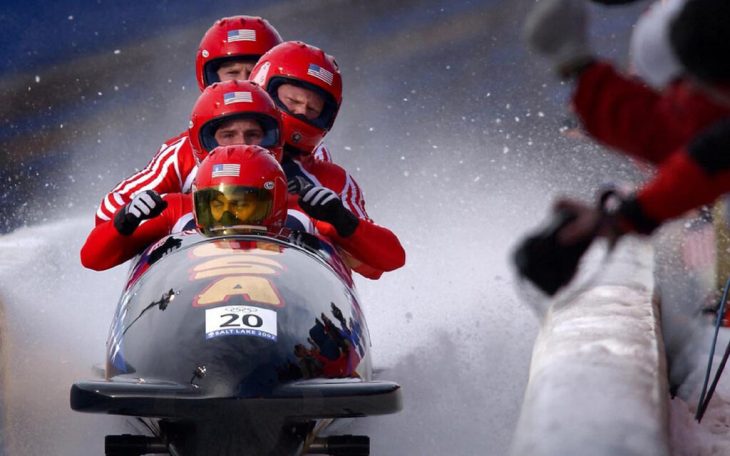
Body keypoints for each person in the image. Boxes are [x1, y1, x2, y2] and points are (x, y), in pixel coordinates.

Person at [250, 41, 406, 278]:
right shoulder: (188, 151)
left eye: (312, 108)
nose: (301, 111)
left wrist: (339, 220)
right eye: (292, 101)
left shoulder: (328, 175)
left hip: (296, 290)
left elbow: (380, 264)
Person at [81, 145, 288, 271]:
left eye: (241, 203)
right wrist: (123, 221)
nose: (226, 215)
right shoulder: (175, 211)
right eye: (216, 203)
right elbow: (92, 258)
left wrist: (322, 216)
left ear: (273, 203)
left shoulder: (299, 212)